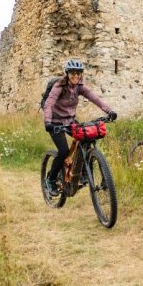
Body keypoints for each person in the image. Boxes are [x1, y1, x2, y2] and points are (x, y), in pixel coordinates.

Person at [42, 58, 117, 196]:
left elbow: (95, 98)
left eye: (78, 73)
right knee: (63, 151)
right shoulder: (59, 86)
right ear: (67, 73)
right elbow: (49, 103)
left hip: (70, 120)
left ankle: (83, 173)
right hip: (55, 122)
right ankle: (51, 180)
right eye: (72, 73)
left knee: (86, 138)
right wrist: (48, 122)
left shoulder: (80, 86)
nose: (76, 76)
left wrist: (109, 111)